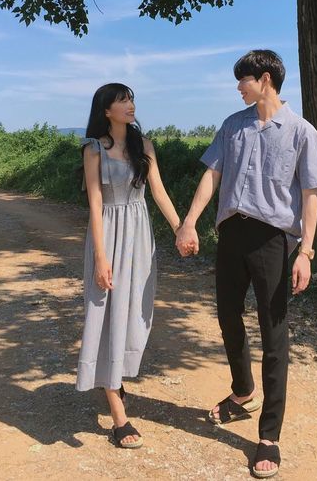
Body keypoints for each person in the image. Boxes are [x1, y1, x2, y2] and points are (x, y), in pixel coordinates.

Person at [176, 50, 317, 478]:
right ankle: (243, 390)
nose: (238, 87)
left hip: (273, 240)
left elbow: (311, 195)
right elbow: (212, 175)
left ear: (264, 79)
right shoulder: (233, 126)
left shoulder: (301, 131)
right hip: (232, 233)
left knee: (273, 333)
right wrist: (189, 222)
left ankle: (269, 437)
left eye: (243, 80)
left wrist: (306, 252)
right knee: (227, 316)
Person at [76, 83, 181, 449]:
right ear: (106, 110)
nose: (130, 105)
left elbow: (159, 192)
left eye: (131, 98)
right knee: (105, 313)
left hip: (139, 235)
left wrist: (181, 228)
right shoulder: (93, 149)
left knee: (135, 311)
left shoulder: (144, 145)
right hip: (107, 234)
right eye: (122, 100)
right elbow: (95, 203)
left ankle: (116, 375)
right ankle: (118, 415)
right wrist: (100, 257)